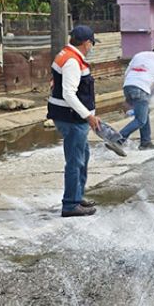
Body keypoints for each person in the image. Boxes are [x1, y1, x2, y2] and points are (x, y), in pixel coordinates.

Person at [47, 25, 102, 218]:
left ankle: (77, 196)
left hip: (68, 115)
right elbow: (68, 94)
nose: (91, 47)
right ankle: (70, 204)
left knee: (82, 156)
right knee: (75, 161)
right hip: (71, 118)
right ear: (87, 43)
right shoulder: (71, 61)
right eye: (92, 43)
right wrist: (88, 115)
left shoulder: (66, 54)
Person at [119, 41, 154, 149]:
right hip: (142, 88)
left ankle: (145, 142)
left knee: (145, 112)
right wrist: (149, 96)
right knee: (140, 120)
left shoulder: (139, 55)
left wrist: (128, 91)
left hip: (128, 85)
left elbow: (127, 73)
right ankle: (118, 139)